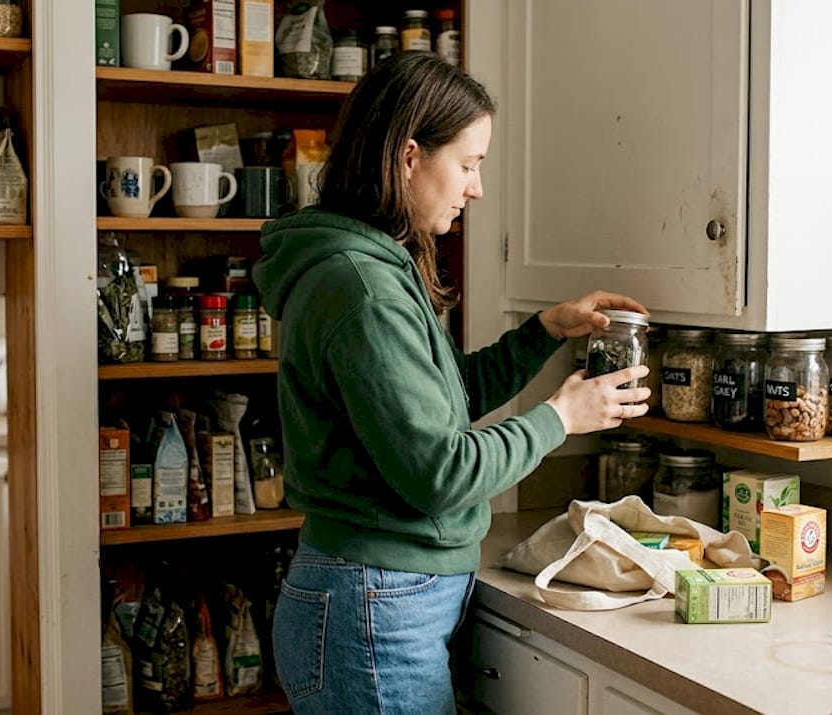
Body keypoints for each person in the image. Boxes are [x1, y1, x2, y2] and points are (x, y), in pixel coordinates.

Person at [252, 53, 651, 715]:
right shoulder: (363, 288)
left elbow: (437, 401)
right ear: (410, 157)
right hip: (373, 613)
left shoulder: (369, 266)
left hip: (376, 603)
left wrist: (542, 332)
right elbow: (441, 469)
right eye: (468, 165)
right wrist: (560, 416)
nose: (476, 188)